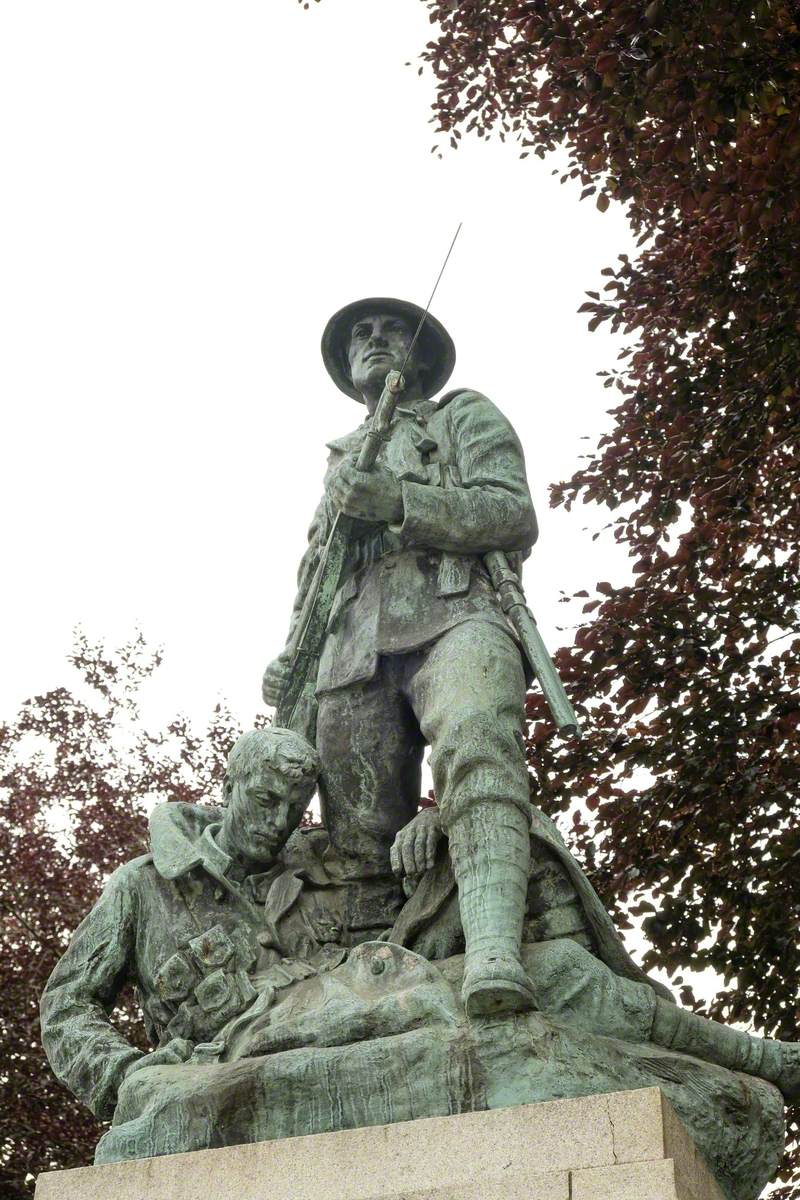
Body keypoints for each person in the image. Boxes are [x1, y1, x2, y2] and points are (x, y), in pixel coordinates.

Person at [262, 297, 541, 1015]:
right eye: (361, 333)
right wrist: (291, 656)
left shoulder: (462, 416)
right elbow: (316, 571)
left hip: (456, 613)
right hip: (352, 645)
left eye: (390, 330)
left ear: (420, 355)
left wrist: (398, 501)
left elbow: (510, 512)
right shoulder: (342, 458)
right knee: (358, 842)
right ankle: (379, 998)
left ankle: (493, 955)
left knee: (478, 746)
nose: (375, 340)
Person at [40, 727, 339, 1121]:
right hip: (209, 1106)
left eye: (295, 808)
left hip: (328, 1083)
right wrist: (122, 1074)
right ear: (229, 787)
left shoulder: (327, 875)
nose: (279, 821)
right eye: (265, 799)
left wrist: (432, 820)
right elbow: (66, 1004)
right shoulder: (143, 886)